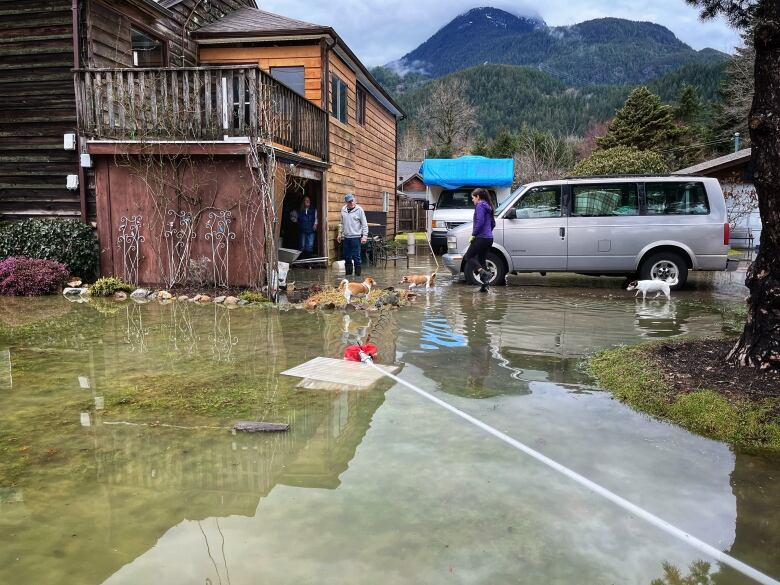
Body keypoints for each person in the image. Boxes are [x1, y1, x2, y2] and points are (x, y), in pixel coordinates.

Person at [463, 188, 495, 292]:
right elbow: (492, 224)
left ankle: (483, 272)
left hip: (481, 237)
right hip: (489, 238)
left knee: (469, 256)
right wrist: (488, 232)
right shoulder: (489, 206)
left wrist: (474, 234)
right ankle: (485, 286)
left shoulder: (480, 205)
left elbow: (480, 222)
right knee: (481, 260)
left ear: (478, 197)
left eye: (473, 198)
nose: (472, 200)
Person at [337, 193, 368, 276]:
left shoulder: (359, 210)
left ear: (354, 200)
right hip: (346, 237)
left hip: (356, 237)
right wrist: (339, 234)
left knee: (356, 257)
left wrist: (364, 236)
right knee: (347, 257)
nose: (351, 203)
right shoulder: (343, 209)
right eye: (349, 202)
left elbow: (364, 224)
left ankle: (358, 277)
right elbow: (341, 223)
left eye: (352, 201)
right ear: (346, 202)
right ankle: (348, 277)